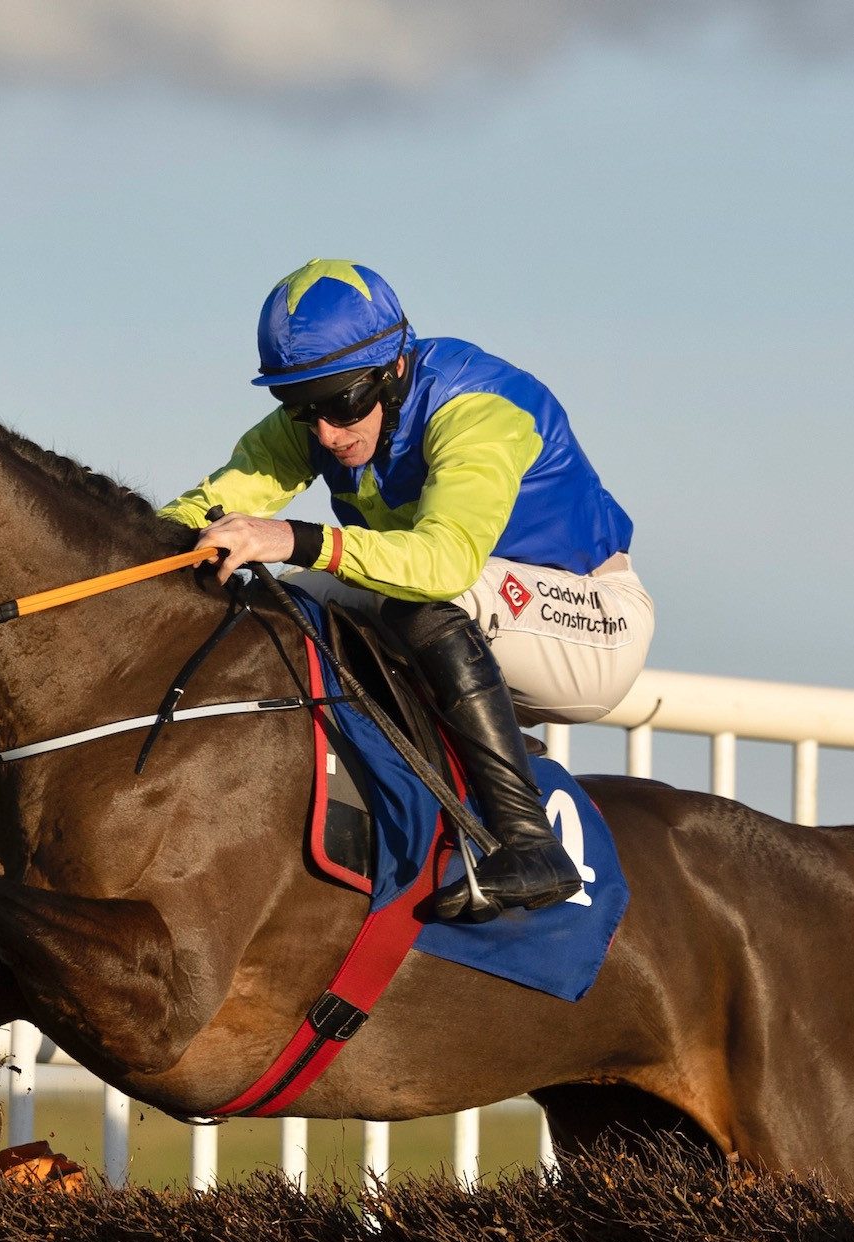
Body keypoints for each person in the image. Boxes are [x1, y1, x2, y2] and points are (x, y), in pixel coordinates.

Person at [161, 259, 653, 921]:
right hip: (483, 616)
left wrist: (297, 538)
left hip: (591, 623)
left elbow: (445, 563)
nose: (328, 431)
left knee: (411, 597)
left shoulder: (476, 410)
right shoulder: (323, 420)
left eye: (342, 401)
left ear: (395, 368)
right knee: (278, 605)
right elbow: (205, 508)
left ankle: (529, 842)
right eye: (301, 407)